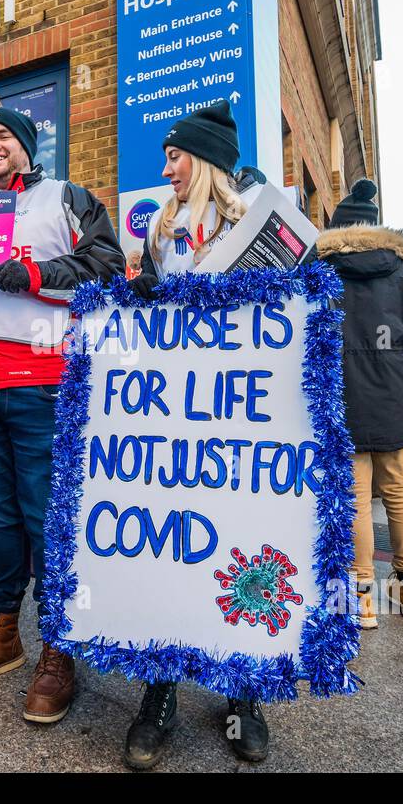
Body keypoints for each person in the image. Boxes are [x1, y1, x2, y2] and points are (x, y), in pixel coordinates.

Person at [0, 106, 124, 725]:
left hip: (43, 379)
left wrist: (37, 273)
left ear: (26, 145)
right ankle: (3, 630)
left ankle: (60, 645)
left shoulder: (65, 197)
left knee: (48, 517)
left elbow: (108, 265)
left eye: (3, 136)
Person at [119, 99, 271, 769]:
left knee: (240, 546)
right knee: (172, 547)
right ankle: (160, 691)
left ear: (203, 159)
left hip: (242, 421)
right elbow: (144, 306)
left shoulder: (258, 222)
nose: (166, 168)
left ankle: (243, 690)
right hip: (174, 421)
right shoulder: (162, 230)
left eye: (175, 156)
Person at [315, 179, 403, 630]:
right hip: (397, 394)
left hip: (340, 393)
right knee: (399, 491)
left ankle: (361, 599)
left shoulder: (321, 271)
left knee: (352, 499)